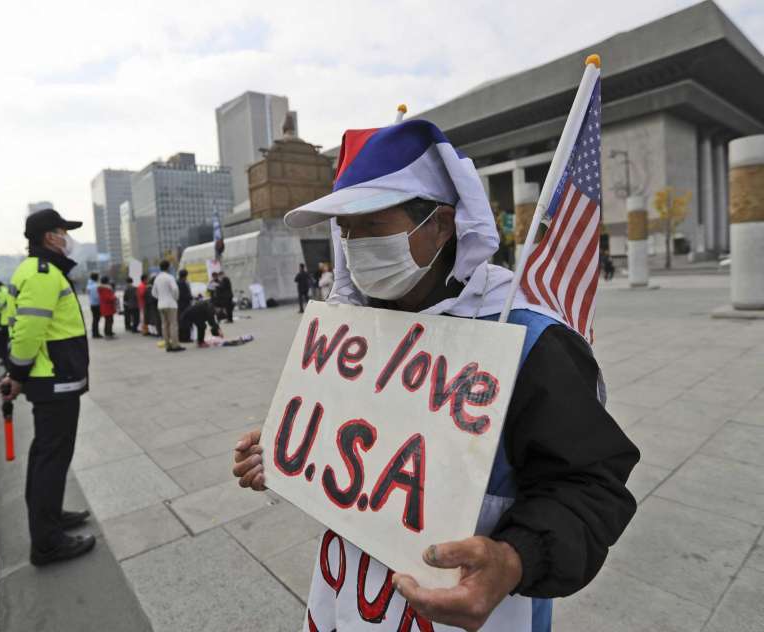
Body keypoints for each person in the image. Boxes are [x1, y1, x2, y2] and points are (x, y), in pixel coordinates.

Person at [233, 120, 639, 632]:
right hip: (348, 602)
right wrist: (287, 448)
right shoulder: (352, 331)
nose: (355, 244)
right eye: (345, 230)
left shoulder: (529, 338)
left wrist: (513, 559)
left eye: (372, 224)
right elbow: (346, 444)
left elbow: (590, 487)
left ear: (442, 224)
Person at [1, 208, 94, 566]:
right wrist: (18, 375)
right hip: (53, 382)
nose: (66, 237)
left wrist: (17, 374)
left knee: (49, 457)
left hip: (52, 381)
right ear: (48, 237)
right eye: (61, 231)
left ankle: (50, 519)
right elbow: (27, 333)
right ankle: (47, 543)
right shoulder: (41, 274)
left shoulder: (38, 270)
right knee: (50, 460)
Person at [151, 260, 183, 352]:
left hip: (161, 305)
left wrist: (160, 298)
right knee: (173, 325)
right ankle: (175, 345)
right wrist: (175, 298)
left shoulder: (157, 278)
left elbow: (153, 293)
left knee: (164, 325)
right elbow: (175, 289)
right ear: (168, 267)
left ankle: (168, 346)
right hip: (171, 304)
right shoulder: (170, 277)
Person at [177, 269, 192, 343]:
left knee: (180, 321)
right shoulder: (183, 283)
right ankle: (186, 338)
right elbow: (187, 295)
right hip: (185, 305)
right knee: (186, 321)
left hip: (178, 304)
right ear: (186, 275)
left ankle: (180, 337)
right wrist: (192, 297)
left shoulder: (176, 282)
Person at [86, 272, 101, 339]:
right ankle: (95, 333)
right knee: (96, 319)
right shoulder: (95, 286)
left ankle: (95, 332)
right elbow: (96, 296)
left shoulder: (89, 285)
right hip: (96, 304)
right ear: (96, 278)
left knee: (95, 319)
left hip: (92, 304)